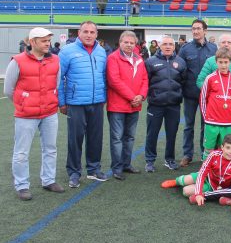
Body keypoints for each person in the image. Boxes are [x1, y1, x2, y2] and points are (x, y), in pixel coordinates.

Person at [4, 27, 64, 200]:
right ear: (32, 42)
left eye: (48, 41)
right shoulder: (17, 61)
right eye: (44, 41)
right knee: (22, 152)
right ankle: (22, 185)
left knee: (50, 148)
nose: (48, 44)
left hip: (49, 113)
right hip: (26, 115)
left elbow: (56, 84)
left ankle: (48, 180)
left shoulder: (55, 60)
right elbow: (9, 89)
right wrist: (24, 103)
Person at [58, 21, 107, 188]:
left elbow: (104, 77)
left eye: (92, 32)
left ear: (96, 34)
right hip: (76, 103)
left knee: (95, 138)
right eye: (85, 31)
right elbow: (59, 78)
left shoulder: (101, 52)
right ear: (78, 33)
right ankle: (74, 172)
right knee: (75, 138)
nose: (88, 35)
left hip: (97, 102)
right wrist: (62, 102)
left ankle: (93, 169)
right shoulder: (66, 51)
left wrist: (103, 96)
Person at [161, 134, 231, 219]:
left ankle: (207, 195)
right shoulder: (213, 155)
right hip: (206, 176)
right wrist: (198, 193)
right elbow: (202, 173)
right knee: (184, 180)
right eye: (228, 148)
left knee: (186, 191)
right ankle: (175, 182)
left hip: (214, 187)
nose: (230, 152)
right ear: (222, 147)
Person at [106, 31, 148, 180]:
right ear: (120, 42)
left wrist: (141, 96)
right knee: (117, 138)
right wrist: (132, 97)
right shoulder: (113, 58)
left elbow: (144, 79)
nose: (129, 45)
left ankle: (126, 164)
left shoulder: (139, 59)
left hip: (134, 105)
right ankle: (117, 168)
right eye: (126, 42)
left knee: (129, 137)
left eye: (132, 43)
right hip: (117, 106)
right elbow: (114, 81)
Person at [144, 36, 186, 172]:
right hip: (155, 105)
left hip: (173, 105)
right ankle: (150, 161)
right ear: (159, 46)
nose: (168, 47)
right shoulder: (150, 62)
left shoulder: (181, 62)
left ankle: (170, 159)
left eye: (170, 44)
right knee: (152, 133)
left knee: (172, 133)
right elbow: (146, 81)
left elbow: (183, 81)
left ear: (174, 47)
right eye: (165, 44)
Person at [178, 20, 217, 167]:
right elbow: (180, 70)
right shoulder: (185, 49)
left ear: (205, 31)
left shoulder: (213, 48)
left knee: (205, 126)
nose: (195, 31)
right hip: (189, 94)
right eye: (193, 29)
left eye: (198, 29)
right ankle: (187, 155)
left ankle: (203, 153)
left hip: (208, 97)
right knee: (188, 125)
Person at [199, 48, 231, 159]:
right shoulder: (210, 78)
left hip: (227, 122)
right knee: (209, 149)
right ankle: (206, 173)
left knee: (225, 150)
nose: (223, 65)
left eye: (226, 62)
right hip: (211, 121)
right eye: (220, 62)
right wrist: (206, 116)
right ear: (216, 62)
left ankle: (220, 173)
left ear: (230, 62)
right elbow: (203, 99)